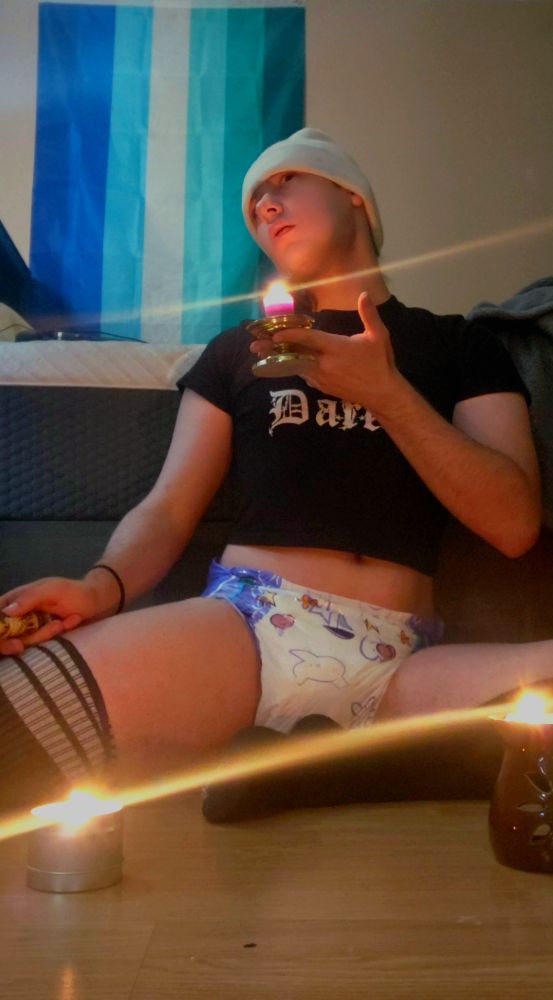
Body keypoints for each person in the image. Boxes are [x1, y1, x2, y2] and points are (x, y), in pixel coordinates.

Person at [0, 128, 551, 818]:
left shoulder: (458, 344)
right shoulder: (239, 351)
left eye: (285, 181)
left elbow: (512, 525)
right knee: (15, 712)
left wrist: (386, 393)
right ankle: (344, 765)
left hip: (404, 661)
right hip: (248, 628)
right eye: (255, 202)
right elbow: (169, 507)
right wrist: (100, 586)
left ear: (354, 197)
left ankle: (313, 770)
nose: (265, 205)